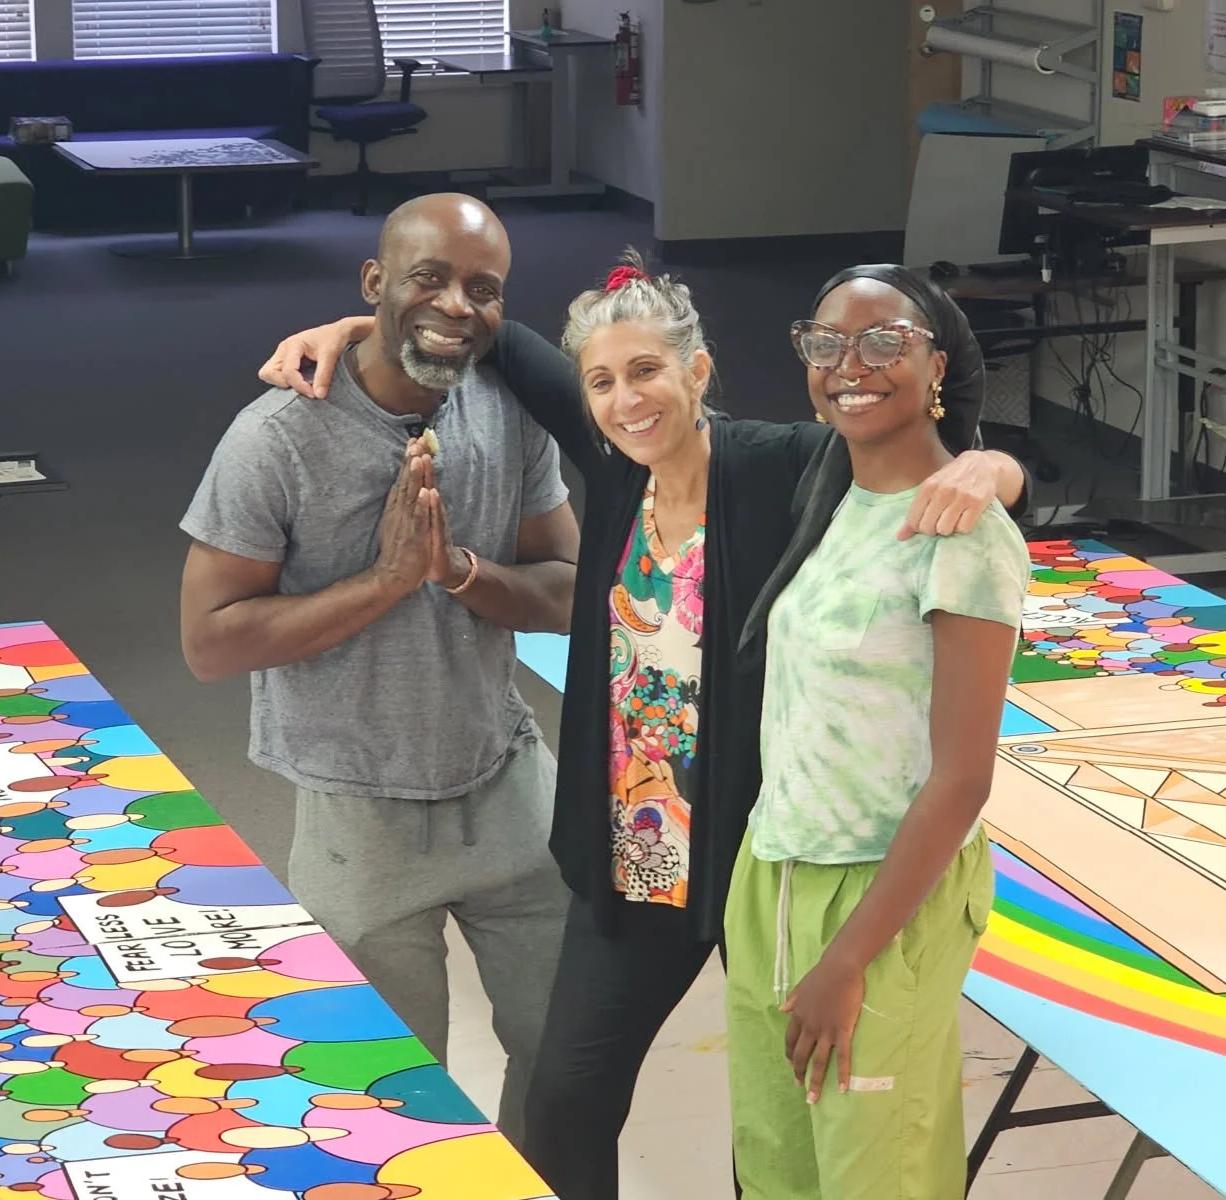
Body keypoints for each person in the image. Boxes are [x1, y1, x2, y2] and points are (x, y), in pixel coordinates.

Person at [257, 251, 1029, 1199]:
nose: (627, 400)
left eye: (650, 372)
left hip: (764, 860)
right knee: (569, 1104)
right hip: (636, 860)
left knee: (781, 1124)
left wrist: (999, 466)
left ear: (698, 373)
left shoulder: (785, 465)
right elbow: (489, 332)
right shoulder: (616, 468)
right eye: (605, 382)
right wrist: (350, 329)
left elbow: (911, 446)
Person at [177, 193, 580, 1141]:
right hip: (356, 810)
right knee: (387, 1108)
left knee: (570, 1059)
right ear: (375, 284)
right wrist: (392, 580)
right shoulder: (277, 436)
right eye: (427, 278)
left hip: (506, 785)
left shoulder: (510, 410)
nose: (455, 305)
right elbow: (209, 642)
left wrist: (461, 573)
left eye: (482, 288)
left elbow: (567, 587)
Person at [723, 266, 1030, 1199]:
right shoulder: (830, 492)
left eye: (884, 341)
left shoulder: (962, 531)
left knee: (877, 1177)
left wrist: (849, 958)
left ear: (938, 364)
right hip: (775, 876)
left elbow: (962, 781)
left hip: (883, 897)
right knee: (777, 1169)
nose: (850, 364)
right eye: (826, 343)